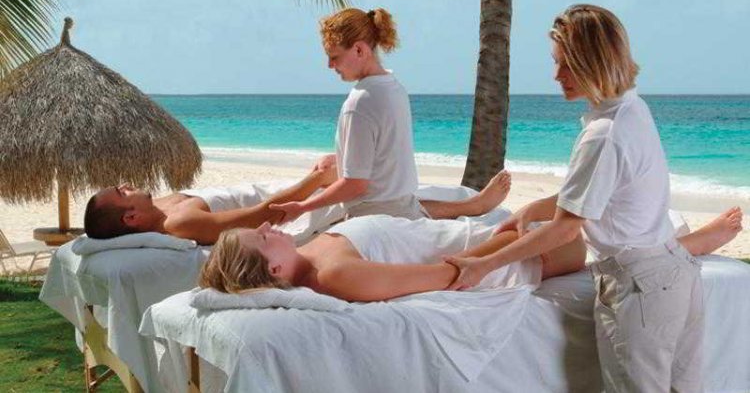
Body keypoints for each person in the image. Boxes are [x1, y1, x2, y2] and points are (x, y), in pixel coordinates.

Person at [442, 4, 744, 392]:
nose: (557, 75)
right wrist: (534, 207)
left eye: (566, 64)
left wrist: (484, 265)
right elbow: (604, 188)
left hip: (639, 288)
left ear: (594, 61)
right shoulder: (633, 108)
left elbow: (565, 231)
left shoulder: (603, 134)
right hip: (676, 273)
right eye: (556, 62)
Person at [199, 208, 742, 304]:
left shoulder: (312, 250)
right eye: (262, 237)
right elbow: (445, 274)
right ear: (274, 269)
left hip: (479, 238)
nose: (267, 227)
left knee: (601, 210)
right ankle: (691, 245)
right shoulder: (338, 274)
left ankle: (678, 235)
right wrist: (509, 244)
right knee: (599, 240)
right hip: (500, 259)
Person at [270, 8, 504, 222]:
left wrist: (303, 207)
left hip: (374, 217)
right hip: (402, 203)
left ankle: (473, 205)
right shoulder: (394, 88)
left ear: (359, 50)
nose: (330, 65)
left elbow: (355, 185)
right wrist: (340, 157)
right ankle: (472, 205)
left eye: (334, 57)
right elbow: (384, 150)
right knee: (413, 205)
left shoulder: (359, 103)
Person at [83, 161, 511, 245]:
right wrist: (312, 182)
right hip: (288, 220)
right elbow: (258, 215)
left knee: (376, 186)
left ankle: (466, 203)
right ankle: (471, 208)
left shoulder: (162, 205)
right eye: (122, 192)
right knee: (371, 200)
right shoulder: (178, 225)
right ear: (132, 217)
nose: (127, 184)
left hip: (268, 189)